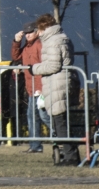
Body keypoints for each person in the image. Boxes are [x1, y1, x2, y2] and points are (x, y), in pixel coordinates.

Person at [29, 14, 79, 166]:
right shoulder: (63, 37)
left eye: (39, 29)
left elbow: (53, 65)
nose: (38, 33)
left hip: (57, 83)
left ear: (44, 28)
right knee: (62, 122)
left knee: (60, 122)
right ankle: (71, 154)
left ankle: (71, 157)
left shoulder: (52, 42)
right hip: (63, 82)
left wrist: (34, 69)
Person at [9, 24, 46, 153]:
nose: (27, 35)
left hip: (41, 88)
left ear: (36, 32)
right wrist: (16, 42)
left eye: (30, 32)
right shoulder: (27, 46)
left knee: (44, 116)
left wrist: (42, 87)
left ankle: (65, 140)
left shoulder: (39, 45)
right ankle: (35, 145)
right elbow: (16, 57)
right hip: (32, 88)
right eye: (26, 33)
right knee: (33, 116)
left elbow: (44, 65)